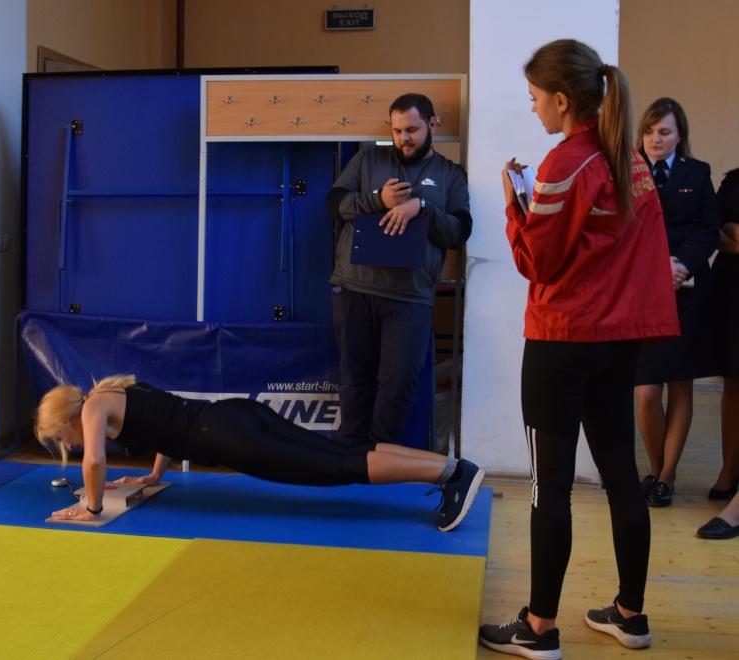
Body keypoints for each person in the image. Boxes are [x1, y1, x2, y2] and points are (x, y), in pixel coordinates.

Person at [477, 40, 679, 659]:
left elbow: (537, 261)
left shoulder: (566, 161)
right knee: (622, 476)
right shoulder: (629, 158)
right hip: (618, 343)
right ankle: (630, 616)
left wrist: (514, 201)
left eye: (536, 97)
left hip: (562, 342)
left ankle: (539, 629)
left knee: (550, 489)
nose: (533, 107)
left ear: (562, 100)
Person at [34, 375, 484, 532]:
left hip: (228, 437)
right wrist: (153, 476)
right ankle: (451, 469)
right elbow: (164, 426)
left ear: (67, 419)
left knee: (339, 465)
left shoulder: (93, 407)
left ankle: (450, 475)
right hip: (234, 415)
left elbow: (94, 461)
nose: (68, 446)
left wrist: (91, 509)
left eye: (61, 438)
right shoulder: (113, 391)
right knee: (345, 450)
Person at [326, 93, 471, 445]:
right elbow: (334, 204)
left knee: (400, 381)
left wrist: (422, 207)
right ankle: (350, 459)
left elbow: (459, 232)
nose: (404, 138)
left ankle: (380, 456)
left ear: (432, 124)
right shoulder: (368, 159)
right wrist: (379, 200)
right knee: (355, 379)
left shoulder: (450, 174)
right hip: (355, 288)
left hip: (411, 296)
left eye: (412, 130)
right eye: (397, 131)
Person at [633, 98, 721, 508]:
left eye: (664, 132)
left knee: (680, 386)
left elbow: (709, 228)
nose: (656, 139)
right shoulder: (628, 171)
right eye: (650, 131)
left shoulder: (697, 172)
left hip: (687, 292)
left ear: (679, 134)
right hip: (643, 295)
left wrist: (681, 266)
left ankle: (665, 477)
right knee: (646, 392)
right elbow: (620, 229)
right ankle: (655, 467)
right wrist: (655, 267)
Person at [708, 166, 739, 501]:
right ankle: (729, 469)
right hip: (732, 291)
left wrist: (734, 231)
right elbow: (713, 230)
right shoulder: (734, 181)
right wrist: (730, 231)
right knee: (733, 381)